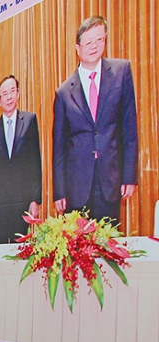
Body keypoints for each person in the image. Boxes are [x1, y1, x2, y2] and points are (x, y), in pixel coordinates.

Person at [52, 15, 138, 224]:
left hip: (110, 179)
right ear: (78, 48)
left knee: (109, 247)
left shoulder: (121, 72)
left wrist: (129, 176)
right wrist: (59, 191)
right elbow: (59, 147)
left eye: (99, 39)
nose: (94, 46)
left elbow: (129, 128)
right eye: (88, 42)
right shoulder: (63, 92)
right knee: (78, 250)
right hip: (77, 186)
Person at [0, 75, 43, 243]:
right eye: (4, 94)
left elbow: (35, 162)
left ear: (18, 93)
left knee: (21, 251)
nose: (9, 97)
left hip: (22, 202)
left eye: (12, 91)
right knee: (0, 251)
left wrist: (35, 200)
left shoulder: (29, 120)